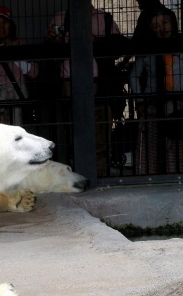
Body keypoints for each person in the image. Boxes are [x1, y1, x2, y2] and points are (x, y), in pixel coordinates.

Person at [45, 5, 122, 176]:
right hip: (69, 84)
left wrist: (96, 41)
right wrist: (52, 40)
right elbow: (49, 52)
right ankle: (77, 177)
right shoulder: (61, 17)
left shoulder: (104, 18)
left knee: (100, 135)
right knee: (73, 135)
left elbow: (119, 47)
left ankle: (100, 176)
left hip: (101, 85)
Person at [130, 9, 183, 175]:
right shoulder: (148, 52)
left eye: (165, 23)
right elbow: (133, 75)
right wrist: (140, 100)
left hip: (176, 104)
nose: (161, 28)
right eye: (156, 26)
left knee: (174, 143)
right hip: (152, 104)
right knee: (149, 141)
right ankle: (147, 175)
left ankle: (175, 174)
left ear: (173, 24)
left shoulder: (181, 50)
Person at [0, 6, 38, 125]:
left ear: (11, 24)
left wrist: (12, 52)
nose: (1, 26)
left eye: (5, 22)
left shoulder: (21, 44)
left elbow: (34, 72)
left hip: (16, 99)